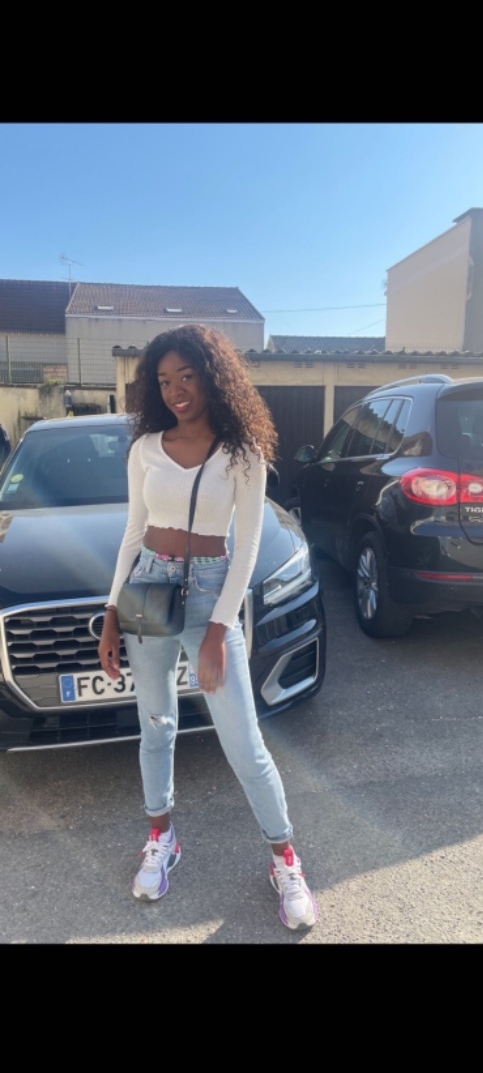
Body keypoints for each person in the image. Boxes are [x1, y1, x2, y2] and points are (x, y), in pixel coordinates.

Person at [98, 325, 318, 931]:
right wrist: (111, 614)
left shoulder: (242, 452)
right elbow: (133, 532)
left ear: (213, 376)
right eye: (164, 380)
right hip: (148, 587)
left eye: (187, 376)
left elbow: (246, 546)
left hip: (211, 591)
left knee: (244, 740)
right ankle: (161, 838)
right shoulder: (145, 448)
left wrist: (219, 629)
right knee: (156, 725)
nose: (175, 390)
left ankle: (285, 858)